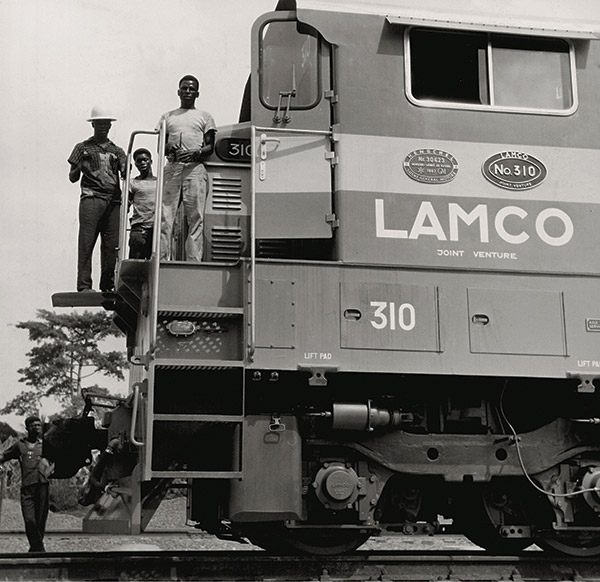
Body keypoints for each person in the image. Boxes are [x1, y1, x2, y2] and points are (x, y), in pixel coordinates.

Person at [156, 75, 216, 261]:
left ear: (197, 93)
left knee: (195, 218)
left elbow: (210, 146)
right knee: (165, 217)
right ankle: (161, 260)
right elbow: (161, 145)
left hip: (194, 169)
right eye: (184, 88)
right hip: (172, 169)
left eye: (191, 89)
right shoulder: (167, 117)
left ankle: (193, 261)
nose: (187, 92)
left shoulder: (205, 116)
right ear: (178, 91)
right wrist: (171, 148)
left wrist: (196, 153)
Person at [68, 106, 127, 292]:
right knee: (87, 243)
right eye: (99, 123)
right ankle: (84, 286)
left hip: (113, 201)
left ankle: (107, 286)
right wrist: (80, 165)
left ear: (110, 126)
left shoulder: (117, 150)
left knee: (111, 246)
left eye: (106, 124)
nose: (103, 127)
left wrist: (124, 166)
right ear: (93, 124)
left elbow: (125, 172)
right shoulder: (82, 147)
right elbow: (72, 177)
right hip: (91, 198)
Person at [0, 417, 54, 552]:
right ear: (27, 428)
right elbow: (3, 457)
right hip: (27, 487)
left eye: (39, 425)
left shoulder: (45, 445)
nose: (37, 427)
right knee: (29, 520)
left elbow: (57, 460)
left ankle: (35, 549)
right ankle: (38, 548)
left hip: (42, 486)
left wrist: (49, 470)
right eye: (34, 425)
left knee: (40, 520)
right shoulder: (19, 445)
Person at [128, 148, 157, 259]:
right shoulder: (133, 183)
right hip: (139, 229)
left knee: (155, 263)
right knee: (136, 264)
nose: (142, 163)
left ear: (151, 161)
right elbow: (126, 205)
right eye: (139, 161)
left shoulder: (160, 182)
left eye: (145, 160)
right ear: (135, 164)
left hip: (156, 228)